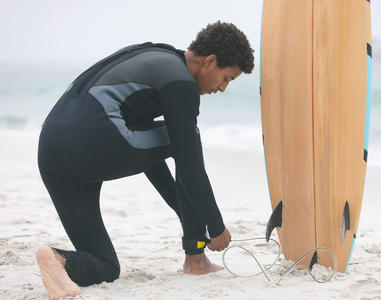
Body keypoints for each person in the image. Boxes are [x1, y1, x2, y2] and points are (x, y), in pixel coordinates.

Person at [35, 21, 254, 299]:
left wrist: (183, 212)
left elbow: (149, 151)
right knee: (188, 140)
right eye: (226, 78)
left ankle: (57, 260)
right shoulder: (180, 83)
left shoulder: (153, 58)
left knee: (106, 266)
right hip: (93, 145)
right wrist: (215, 225)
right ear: (210, 61)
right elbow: (189, 168)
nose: (222, 88)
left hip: (51, 154)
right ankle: (196, 261)